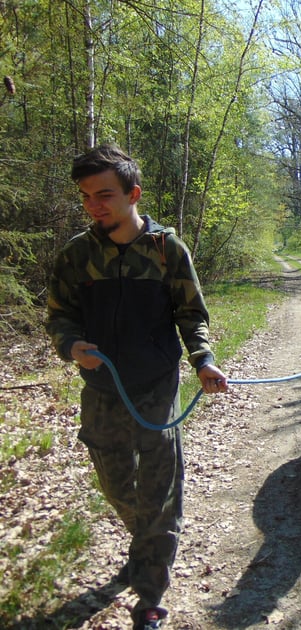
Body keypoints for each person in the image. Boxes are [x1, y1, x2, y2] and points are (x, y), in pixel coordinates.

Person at [46, 144, 229, 629]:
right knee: (114, 484)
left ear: (133, 194)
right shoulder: (76, 255)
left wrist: (203, 361)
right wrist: (71, 346)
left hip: (156, 387)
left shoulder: (167, 250)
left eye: (104, 194)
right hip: (101, 388)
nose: (94, 205)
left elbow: (192, 315)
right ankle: (145, 543)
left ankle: (149, 593)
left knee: (160, 490)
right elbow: (59, 314)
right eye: (86, 196)